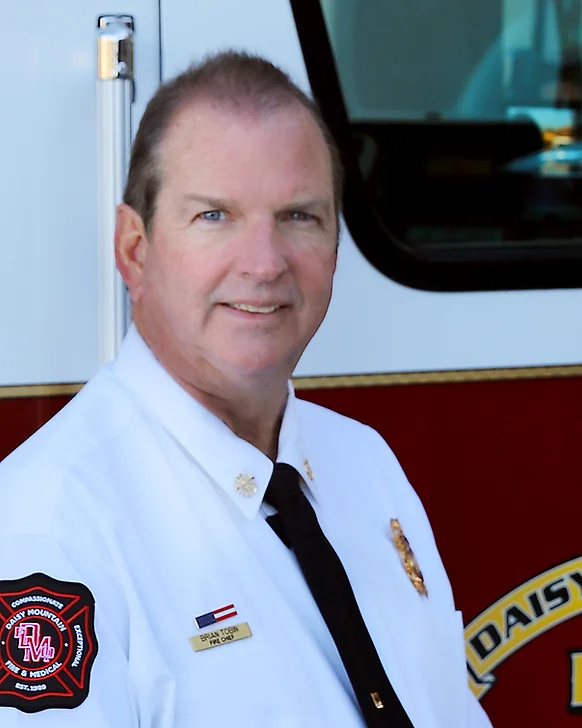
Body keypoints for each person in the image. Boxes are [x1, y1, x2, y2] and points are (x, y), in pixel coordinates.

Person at [0, 52, 493, 727]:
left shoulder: (364, 465)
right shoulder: (49, 529)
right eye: (214, 216)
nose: (264, 264)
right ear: (134, 250)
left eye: (299, 216)